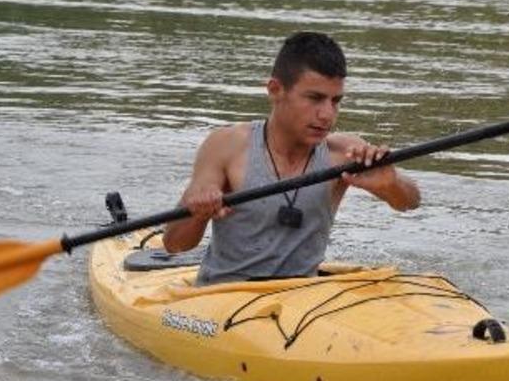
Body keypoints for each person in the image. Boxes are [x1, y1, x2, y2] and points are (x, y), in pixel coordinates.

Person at [163, 31, 421, 285]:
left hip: (299, 300)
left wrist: (391, 184)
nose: (327, 115)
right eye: (315, 98)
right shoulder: (226, 145)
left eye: (335, 101)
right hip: (222, 296)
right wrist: (198, 211)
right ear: (275, 90)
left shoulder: (345, 152)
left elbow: (409, 203)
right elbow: (174, 244)